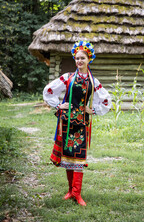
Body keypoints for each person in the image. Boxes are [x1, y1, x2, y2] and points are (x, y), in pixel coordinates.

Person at [43, 41, 111, 206]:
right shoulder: (67, 77)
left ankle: (77, 193)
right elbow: (49, 91)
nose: (79, 61)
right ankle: (70, 191)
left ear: (89, 59)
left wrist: (93, 110)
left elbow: (106, 100)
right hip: (66, 122)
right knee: (67, 157)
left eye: (82, 58)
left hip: (82, 124)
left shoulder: (93, 81)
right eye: (77, 58)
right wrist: (59, 105)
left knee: (79, 157)